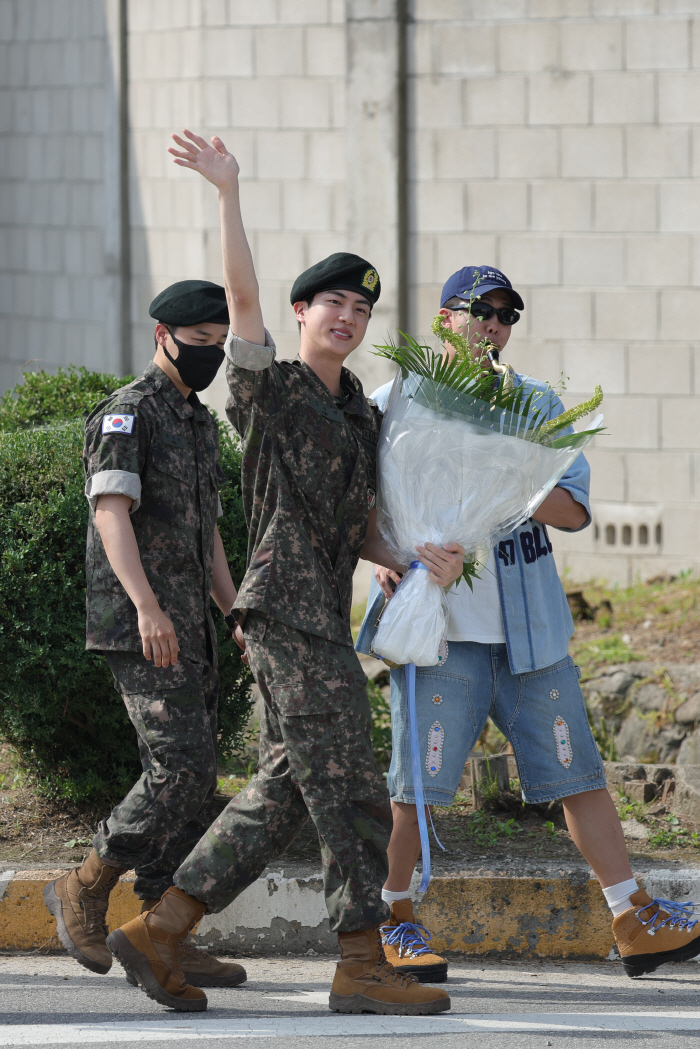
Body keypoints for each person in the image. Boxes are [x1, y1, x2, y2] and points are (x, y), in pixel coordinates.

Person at [104, 130, 464, 1014]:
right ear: (302, 314)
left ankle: (160, 928)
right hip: (283, 614)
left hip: (320, 615)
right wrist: (228, 191)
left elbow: (356, 524)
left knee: (286, 792)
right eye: (330, 302)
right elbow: (241, 296)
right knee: (350, 784)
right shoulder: (274, 388)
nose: (345, 317)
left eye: (359, 309)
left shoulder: (358, 413)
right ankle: (360, 961)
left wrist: (409, 558)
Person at [357, 265, 700, 983]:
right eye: (481, 311)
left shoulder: (531, 404)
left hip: (530, 632)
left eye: (508, 315)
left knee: (578, 774)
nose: (494, 325)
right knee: (415, 786)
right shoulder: (398, 401)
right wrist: (385, 557)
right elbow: (357, 500)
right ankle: (394, 919)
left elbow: (573, 509)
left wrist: (514, 471)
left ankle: (632, 916)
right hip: (440, 630)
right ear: (446, 318)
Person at [44, 280, 248, 990]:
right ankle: (85, 881)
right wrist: (146, 606)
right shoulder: (130, 413)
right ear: (162, 333)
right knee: (181, 769)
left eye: (220, 344)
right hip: (144, 623)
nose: (211, 356)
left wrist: (233, 609)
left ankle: (167, 931)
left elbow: (207, 529)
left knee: (194, 781)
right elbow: (110, 512)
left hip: (190, 621)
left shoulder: (196, 420)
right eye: (199, 344)